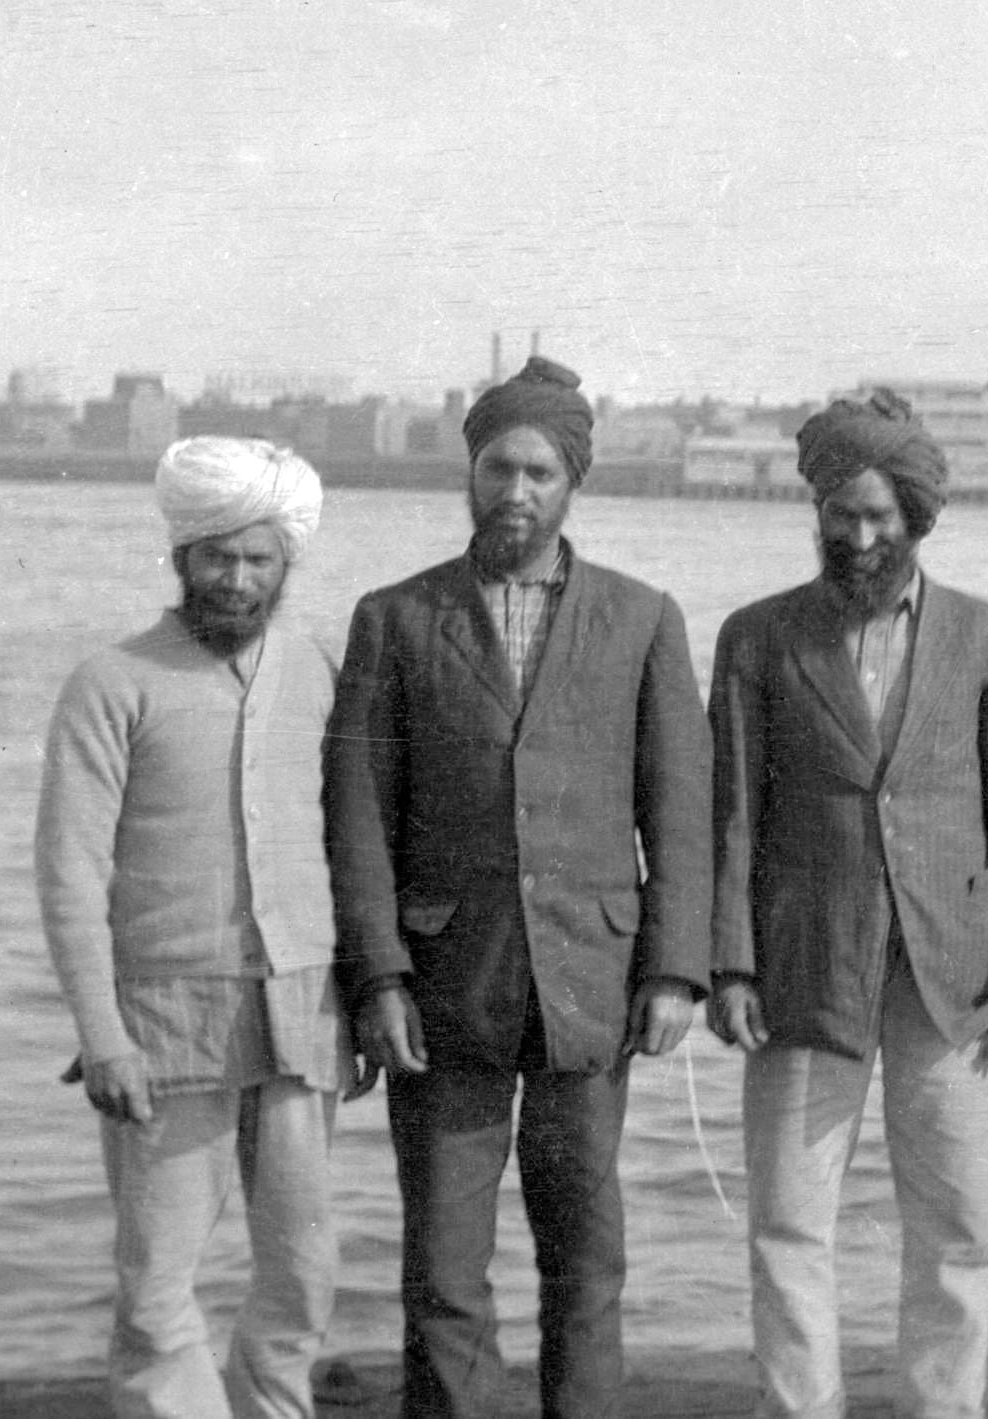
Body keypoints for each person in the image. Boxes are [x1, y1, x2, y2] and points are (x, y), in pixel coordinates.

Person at [324, 355, 712, 1419]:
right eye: (499, 466)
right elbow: (358, 816)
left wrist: (676, 968)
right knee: (444, 1270)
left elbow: (679, 807)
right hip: (443, 987)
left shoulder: (641, 619)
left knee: (586, 1258)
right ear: (472, 471)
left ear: (572, 482)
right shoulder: (396, 621)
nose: (516, 491)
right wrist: (379, 977)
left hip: (591, 981)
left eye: (541, 471)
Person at [706, 389, 988, 1419]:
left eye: (879, 516)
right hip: (801, 967)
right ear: (817, 511)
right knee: (786, 1220)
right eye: (840, 513)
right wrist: (729, 962)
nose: (859, 537)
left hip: (949, 970)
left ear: (917, 516)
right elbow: (732, 814)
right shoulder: (759, 638)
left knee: (956, 1222)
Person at [35, 437, 349, 1419]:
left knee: (303, 1273)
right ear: (181, 555)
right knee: (157, 1285)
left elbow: (348, 840)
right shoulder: (112, 681)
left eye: (260, 559)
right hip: (162, 1028)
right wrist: (103, 1035)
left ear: (286, 563)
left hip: (302, 1013)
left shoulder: (320, 670)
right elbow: (69, 873)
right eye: (218, 555)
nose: (238, 577)